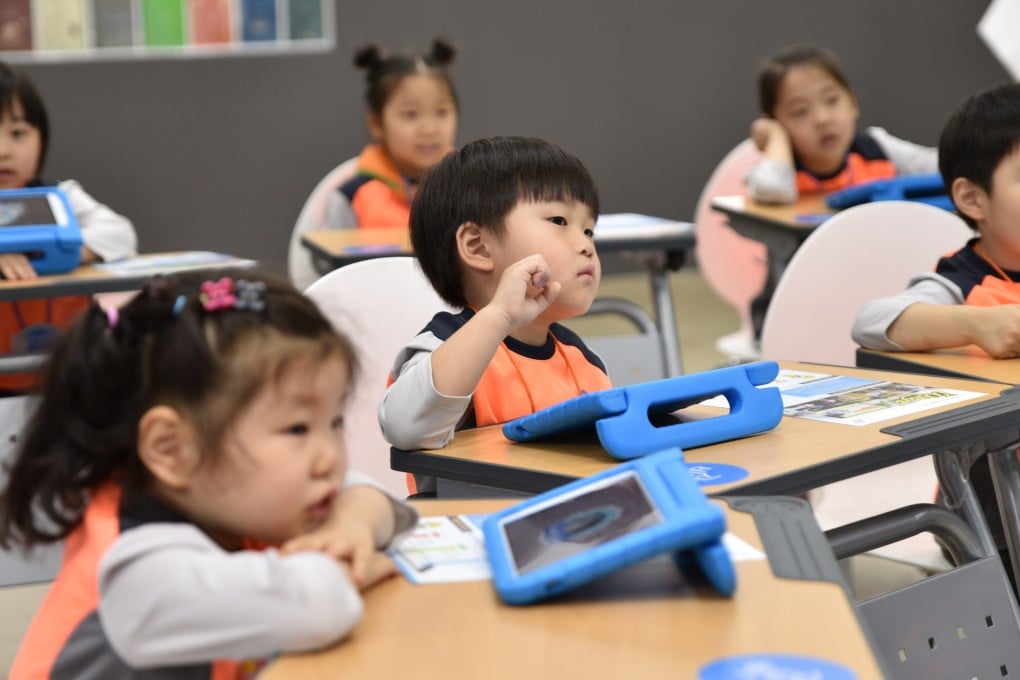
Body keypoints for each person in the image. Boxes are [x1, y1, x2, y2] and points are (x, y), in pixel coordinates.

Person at [0, 271, 417, 677]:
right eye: (297, 429)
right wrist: (347, 565)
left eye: (334, 422)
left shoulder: (228, 499)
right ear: (171, 449)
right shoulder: (138, 570)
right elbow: (323, 603)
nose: (330, 459)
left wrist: (351, 526)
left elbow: (386, 506)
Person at [851, 81, 1020, 591]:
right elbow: (872, 321)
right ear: (973, 199)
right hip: (996, 512)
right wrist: (976, 324)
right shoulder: (965, 281)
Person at [379, 136, 612, 484]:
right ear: (477, 246)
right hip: (470, 528)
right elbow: (405, 426)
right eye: (560, 221)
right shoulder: (445, 347)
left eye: (589, 229)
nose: (586, 247)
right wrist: (499, 316)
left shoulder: (583, 358)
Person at [0, 60, 137, 393]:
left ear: (42, 139)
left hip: (63, 379)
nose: (4, 151)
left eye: (18, 134)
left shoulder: (59, 198)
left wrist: (52, 254)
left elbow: (120, 233)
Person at [746, 44, 937, 205]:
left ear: (853, 103)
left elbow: (944, 166)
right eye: (800, 111)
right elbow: (774, 189)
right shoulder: (779, 169)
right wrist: (775, 137)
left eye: (831, 100)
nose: (822, 119)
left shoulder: (876, 148)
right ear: (775, 121)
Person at [323, 37, 459, 231]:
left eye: (441, 112)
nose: (430, 129)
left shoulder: (471, 190)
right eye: (410, 115)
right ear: (376, 123)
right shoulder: (351, 197)